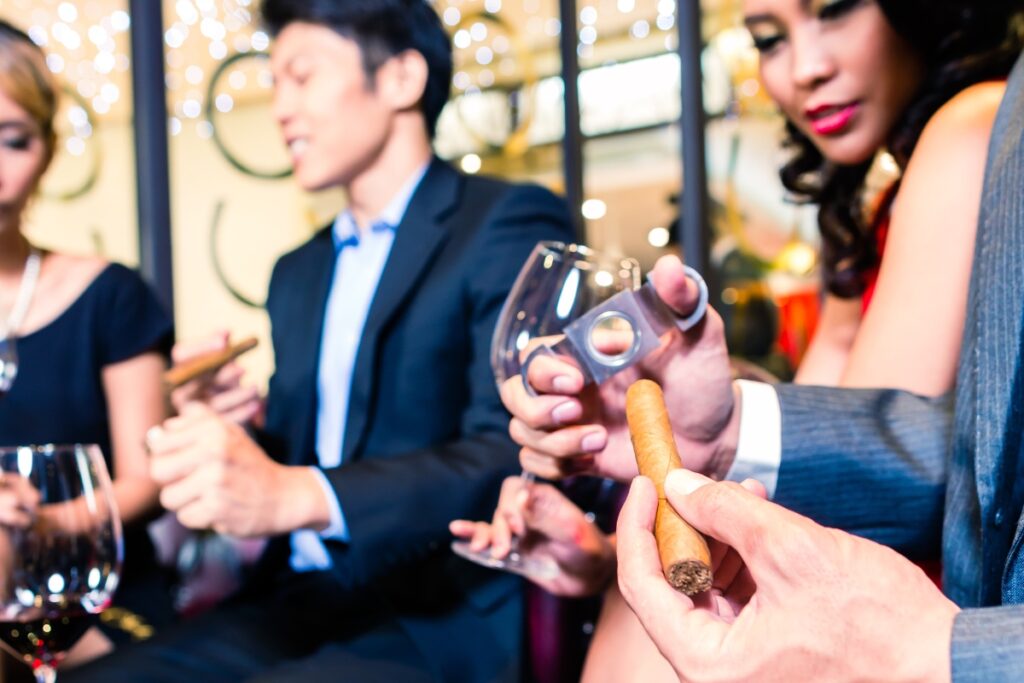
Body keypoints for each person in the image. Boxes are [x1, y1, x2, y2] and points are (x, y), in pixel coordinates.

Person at [456, 0, 1024, 677]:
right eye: (769, 40)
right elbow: (839, 431)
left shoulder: (968, 128)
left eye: (835, 12)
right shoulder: (874, 197)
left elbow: (896, 476)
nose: (806, 69)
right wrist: (640, 524)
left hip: (918, 614)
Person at [66, 1, 575, 681]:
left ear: (401, 78)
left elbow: (514, 449)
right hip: (296, 601)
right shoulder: (298, 270)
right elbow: (304, 454)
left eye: (300, 76)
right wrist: (235, 432)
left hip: (440, 613)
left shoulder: (505, 222)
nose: (279, 107)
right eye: (273, 82)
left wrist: (296, 493)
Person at [0, 20, 174, 680]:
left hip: (91, 597)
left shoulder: (109, 294)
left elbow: (146, 479)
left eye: (12, 140)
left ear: (45, 150)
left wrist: (39, 520)